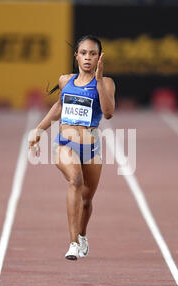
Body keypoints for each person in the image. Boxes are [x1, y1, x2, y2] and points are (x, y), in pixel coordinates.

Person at [29, 35, 115, 260]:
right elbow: (59, 107)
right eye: (84, 53)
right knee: (75, 180)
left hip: (91, 147)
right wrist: (38, 131)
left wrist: (98, 79)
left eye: (93, 54)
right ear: (76, 55)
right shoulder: (65, 80)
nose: (88, 57)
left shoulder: (106, 83)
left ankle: (83, 234)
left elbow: (108, 112)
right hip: (64, 143)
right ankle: (73, 242)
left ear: (99, 58)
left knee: (86, 201)